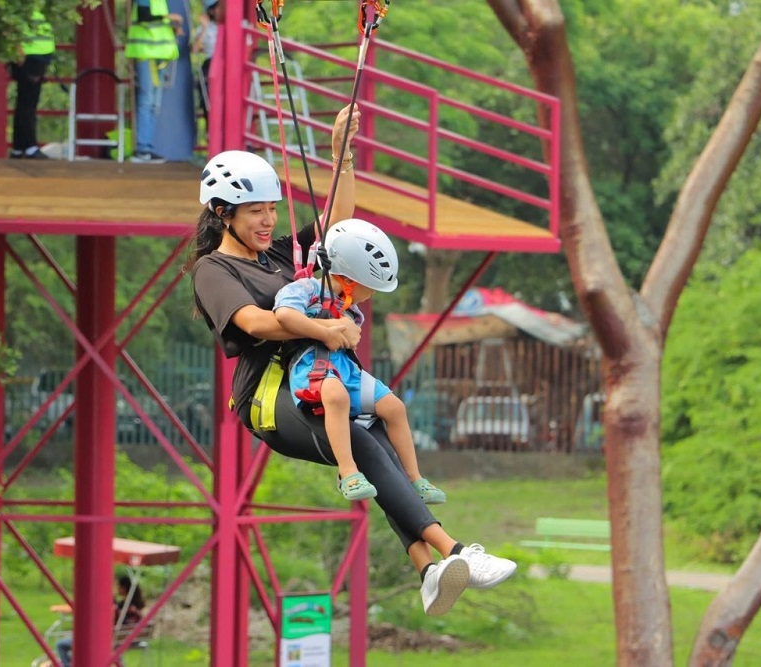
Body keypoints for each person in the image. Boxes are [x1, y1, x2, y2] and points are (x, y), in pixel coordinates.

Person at [189, 107, 517, 617]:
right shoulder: (214, 270)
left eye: (271, 209)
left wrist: (343, 151)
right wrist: (326, 329)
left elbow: (334, 225)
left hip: (322, 380)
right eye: (255, 210)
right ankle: (457, 552)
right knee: (363, 441)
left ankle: (427, 570)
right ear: (221, 212)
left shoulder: (280, 256)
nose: (268, 220)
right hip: (271, 400)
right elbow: (255, 323)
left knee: (380, 443)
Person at [272, 218, 446, 505]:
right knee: (336, 396)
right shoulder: (306, 289)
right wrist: (325, 331)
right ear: (351, 279)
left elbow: (352, 339)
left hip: (346, 369)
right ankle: (348, 471)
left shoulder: (350, 309)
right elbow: (285, 315)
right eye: (371, 286)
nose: (373, 294)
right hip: (312, 366)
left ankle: (415, 478)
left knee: (394, 407)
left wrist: (340, 327)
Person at [124, 0, 183, 163]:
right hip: (147, 53)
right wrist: (169, 18)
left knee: (153, 104)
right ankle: (142, 148)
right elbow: (144, 16)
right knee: (147, 101)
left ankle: (146, 147)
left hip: (158, 53)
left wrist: (170, 26)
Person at [56, 576, 146, 667]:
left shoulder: (123, 607)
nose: (116, 588)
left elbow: (110, 620)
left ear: (123, 588)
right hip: (131, 639)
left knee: (61, 644)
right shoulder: (135, 606)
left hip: (110, 640)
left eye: (118, 586)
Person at [8, 9, 55, 159]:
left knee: (24, 103)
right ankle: (29, 147)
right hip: (30, 58)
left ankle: (19, 147)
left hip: (35, 57)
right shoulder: (21, 8)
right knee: (28, 105)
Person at [191, 0, 218, 136]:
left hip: (227, 67)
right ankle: (210, 135)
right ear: (211, 11)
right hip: (211, 64)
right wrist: (205, 27)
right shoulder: (206, 28)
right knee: (208, 101)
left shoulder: (230, 25)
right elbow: (194, 48)